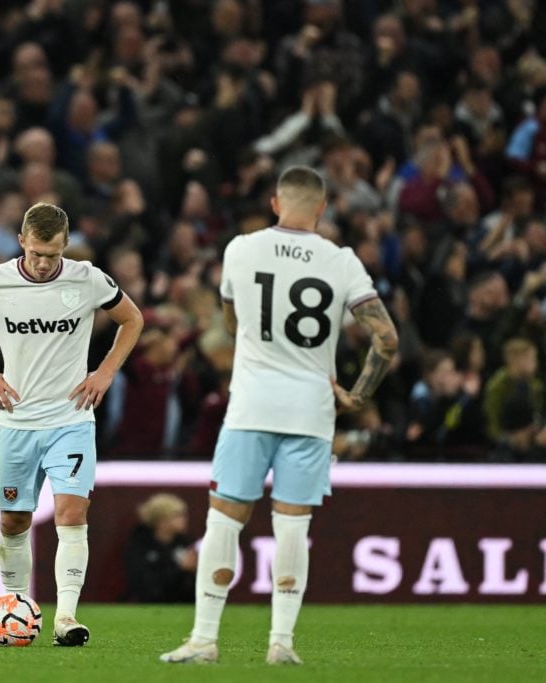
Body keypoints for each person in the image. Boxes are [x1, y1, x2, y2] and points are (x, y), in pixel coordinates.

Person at [160, 167, 398, 665]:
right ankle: (281, 645)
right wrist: (356, 395)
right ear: (322, 207)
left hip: (250, 404)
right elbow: (386, 338)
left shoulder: (241, 249)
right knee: (292, 528)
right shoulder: (341, 260)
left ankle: (204, 640)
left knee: (224, 521)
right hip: (311, 411)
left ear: (274, 203)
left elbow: (230, 318)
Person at [0, 201, 143, 647]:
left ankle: (66, 619)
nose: (43, 262)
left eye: (52, 255)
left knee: (72, 515)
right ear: (21, 242)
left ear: (65, 246)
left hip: (71, 419)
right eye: (35, 253)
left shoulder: (87, 278)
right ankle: (14, 613)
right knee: (14, 521)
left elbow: (132, 319)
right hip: (17, 422)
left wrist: (105, 371)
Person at [123, 493, 197, 603]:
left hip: (183, 606)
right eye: (177, 515)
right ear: (162, 520)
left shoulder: (186, 544)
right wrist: (181, 570)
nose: (184, 519)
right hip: (148, 605)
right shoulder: (140, 546)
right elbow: (144, 585)